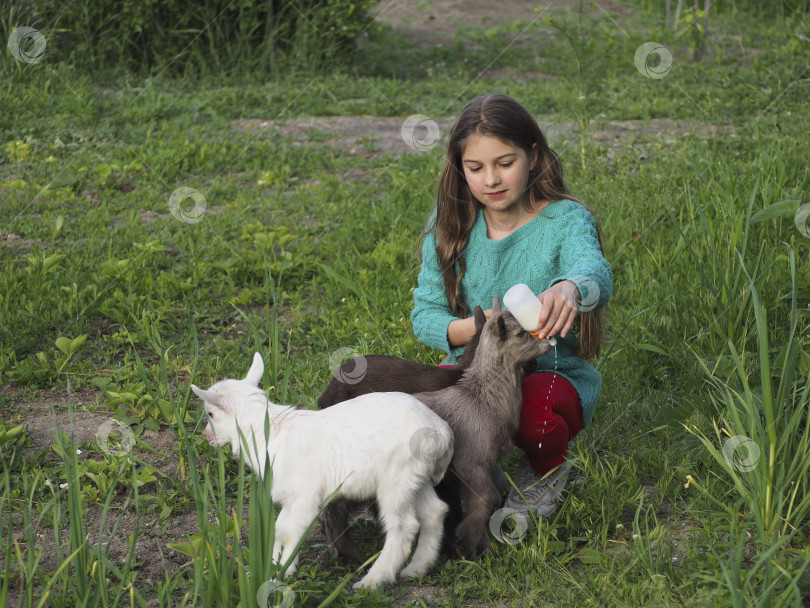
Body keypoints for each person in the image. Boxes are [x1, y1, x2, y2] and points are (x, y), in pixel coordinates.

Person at [411, 93, 612, 519]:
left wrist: (570, 289)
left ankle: (545, 467)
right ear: (458, 167)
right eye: (475, 167)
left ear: (533, 156)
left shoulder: (564, 220)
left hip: (552, 371)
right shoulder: (449, 225)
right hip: (473, 372)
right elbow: (425, 315)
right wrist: (477, 330)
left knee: (532, 412)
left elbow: (594, 270)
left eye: (505, 162)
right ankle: (475, 473)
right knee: (420, 414)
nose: (491, 180)